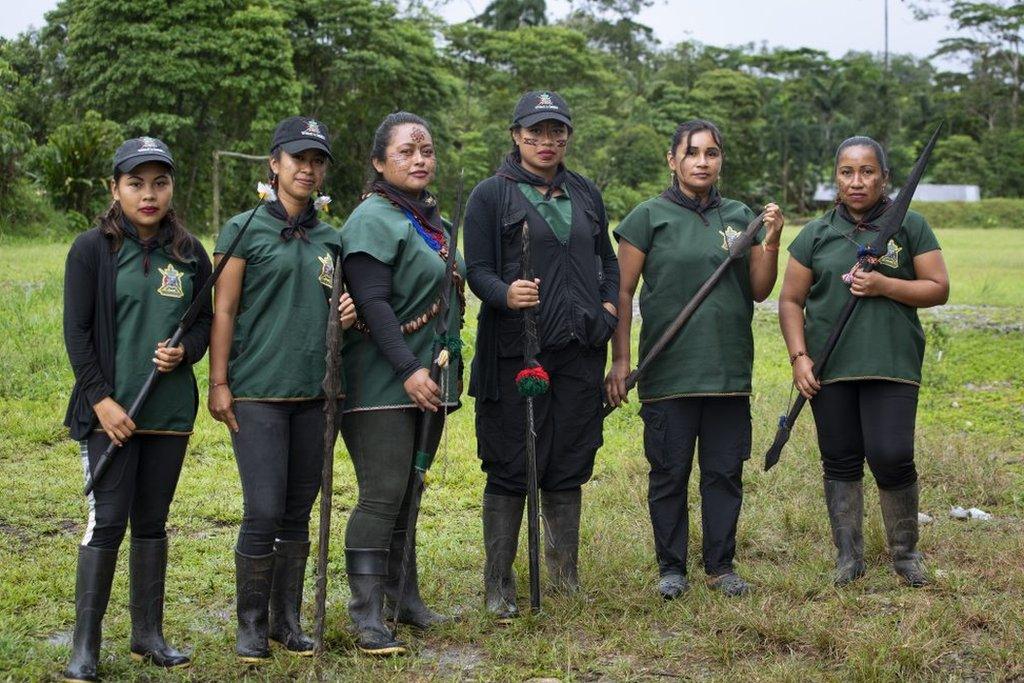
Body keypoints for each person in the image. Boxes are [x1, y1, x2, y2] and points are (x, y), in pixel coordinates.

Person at [606, 120, 785, 599]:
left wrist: (770, 241)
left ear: (721, 159)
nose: (702, 162)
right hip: (669, 373)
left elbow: (760, 289)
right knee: (669, 473)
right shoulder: (647, 217)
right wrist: (620, 361)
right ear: (673, 160)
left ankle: (721, 566)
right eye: (692, 153)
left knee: (724, 473)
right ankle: (672, 568)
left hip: (727, 374)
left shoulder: (739, 215)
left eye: (711, 153)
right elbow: (621, 292)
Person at [464, 91, 619, 621]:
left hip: (579, 350)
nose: (546, 141)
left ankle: (565, 575)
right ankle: (499, 583)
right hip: (516, 352)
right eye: (535, 131)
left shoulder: (585, 192)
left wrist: (606, 309)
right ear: (516, 134)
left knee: (569, 458)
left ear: (568, 136)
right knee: (511, 461)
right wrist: (505, 293)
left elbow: (609, 263)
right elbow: (476, 268)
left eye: (557, 132)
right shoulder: (490, 196)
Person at [62, 137, 211, 681]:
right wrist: (101, 401)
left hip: (168, 414)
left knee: (152, 523)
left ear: (172, 186)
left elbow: (202, 323)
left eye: (160, 182)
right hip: (111, 415)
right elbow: (76, 333)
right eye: (136, 183)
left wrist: (185, 351)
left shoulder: (191, 252)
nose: (149, 195)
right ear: (115, 188)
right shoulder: (91, 250)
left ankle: (148, 635)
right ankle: (85, 646)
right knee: (106, 524)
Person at [207, 116, 355, 661]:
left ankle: (285, 620)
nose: (308, 169)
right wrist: (219, 382)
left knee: (299, 510)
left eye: (317, 161)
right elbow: (223, 309)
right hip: (257, 391)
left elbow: (338, 312)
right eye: (298, 159)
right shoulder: (243, 229)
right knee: (263, 508)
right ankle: (249, 623)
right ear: (275, 164)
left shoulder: (332, 239)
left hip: (316, 394)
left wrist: (347, 313)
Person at [778, 135, 948, 587]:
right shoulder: (815, 234)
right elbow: (791, 301)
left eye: (868, 171)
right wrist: (799, 358)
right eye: (848, 172)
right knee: (840, 459)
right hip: (829, 367)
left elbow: (938, 288)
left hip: (892, 363)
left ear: (884, 177)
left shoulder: (910, 225)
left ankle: (906, 554)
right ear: (836, 179)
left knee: (892, 455)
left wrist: (885, 285)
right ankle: (848, 557)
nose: (858, 181)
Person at [339, 112, 464, 655]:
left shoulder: (432, 220)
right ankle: (366, 615)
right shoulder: (372, 218)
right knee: (382, 494)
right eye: (406, 152)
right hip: (382, 384)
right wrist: (408, 371)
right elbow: (371, 303)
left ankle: (402, 598)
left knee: (410, 490)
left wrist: (429, 372)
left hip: (428, 380)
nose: (419, 160)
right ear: (378, 162)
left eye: (427, 151)